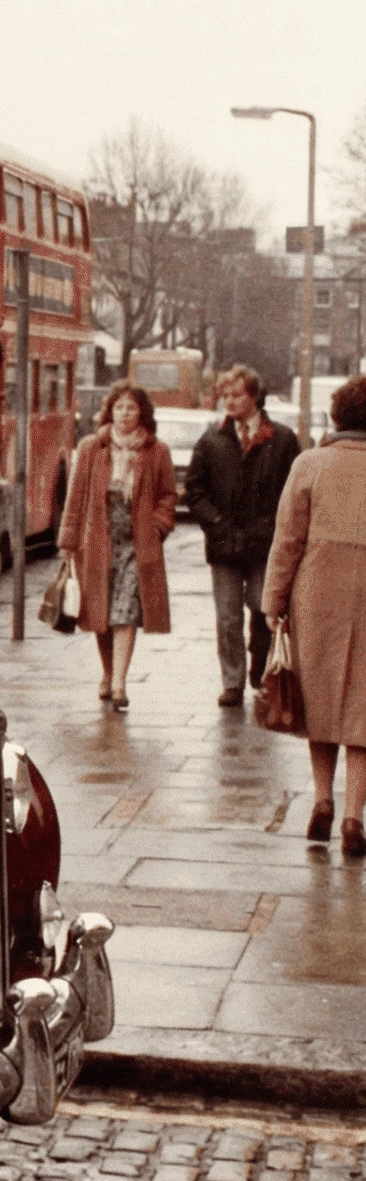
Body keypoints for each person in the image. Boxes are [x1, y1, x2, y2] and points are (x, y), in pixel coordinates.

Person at [263, 374, 366, 857]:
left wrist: (273, 602)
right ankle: (353, 817)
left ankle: (323, 800)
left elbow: (288, 541)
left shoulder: (310, 464)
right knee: (362, 711)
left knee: (320, 702)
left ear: (336, 418)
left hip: (316, 592)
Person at [58, 382, 176, 712]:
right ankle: (107, 674)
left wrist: (158, 526)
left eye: (131, 408)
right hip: (96, 541)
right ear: (109, 411)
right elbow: (76, 497)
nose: (125, 414)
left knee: (125, 612)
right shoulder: (92, 447)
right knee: (101, 614)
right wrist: (68, 541)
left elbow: (168, 495)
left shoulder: (157, 451)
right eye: (119, 407)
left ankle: (120, 683)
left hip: (136, 545)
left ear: (142, 413)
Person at [184, 366, 298, 707]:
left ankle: (260, 666)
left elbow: (291, 492)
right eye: (225, 396)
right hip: (224, 542)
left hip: (265, 543)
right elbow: (195, 489)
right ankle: (232, 681)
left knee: (264, 606)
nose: (229, 402)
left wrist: (269, 526)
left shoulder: (282, 439)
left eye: (237, 395)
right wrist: (216, 522)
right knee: (228, 615)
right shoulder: (212, 439)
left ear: (255, 397)